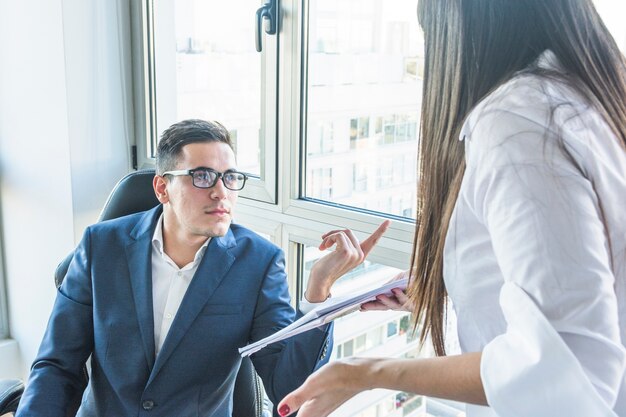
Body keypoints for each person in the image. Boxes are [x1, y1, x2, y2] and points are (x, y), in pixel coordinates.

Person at [277, 1, 626, 416]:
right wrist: (459, 283)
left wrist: (368, 371)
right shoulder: (587, 95)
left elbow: (566, 366)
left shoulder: (517, 121)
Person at [16, 119, 390, 417]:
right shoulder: (101, 247)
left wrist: (318, 290)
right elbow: (57, 366)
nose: (220, 192)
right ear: (162, 189)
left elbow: (287, 388)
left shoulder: (258, 263)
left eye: (229, 177)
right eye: (201, 176)